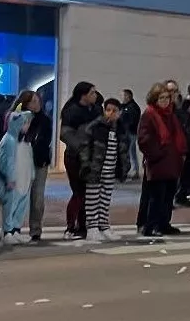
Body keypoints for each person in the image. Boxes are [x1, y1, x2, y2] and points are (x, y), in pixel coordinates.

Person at [138, 83, 187, 237]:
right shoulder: (149, 114)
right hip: (158, 162)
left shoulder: (170, 115)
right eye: (161, 98)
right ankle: (150, 226)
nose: (165, 101)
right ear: (155, 99)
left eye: (167, 98)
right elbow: (144, 139)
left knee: (168, 197)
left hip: (172, 162)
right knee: (156, 197)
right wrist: (158, 154)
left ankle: (163, 224)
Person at [79, 98, 130, 241]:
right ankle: (92, 227)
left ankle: (104, 226)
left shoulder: (121, 129)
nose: (111, 113)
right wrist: (87, 165)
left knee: (105, 199)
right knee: (92, 200)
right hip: (95, 170)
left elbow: (123, 151)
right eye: (108, 110)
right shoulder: (96, 126)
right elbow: (85, 147)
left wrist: (124, 167)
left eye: (114, 111)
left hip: (110, 170)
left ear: (119, 113)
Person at [59, 82, 101, 240]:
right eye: (92, 93)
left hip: (92, 156)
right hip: (75, 157)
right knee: (78, 192)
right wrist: (82, 146)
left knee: (88, 193)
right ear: (83, 95)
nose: (95, 95)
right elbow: (65, 134)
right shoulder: (72, 111)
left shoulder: (96, 109)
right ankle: (70, 226)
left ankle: (83, 225)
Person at [0, 110, 35, 245]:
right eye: (25, 123)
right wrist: (10, 178)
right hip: (13, 181)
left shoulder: (25, 141)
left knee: (21, 206)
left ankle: (16, 230)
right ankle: (7, 232)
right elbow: (6, 161)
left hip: (24, 179)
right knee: (10, 205)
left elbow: (29, 159)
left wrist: (32, 175)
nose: (27, 126)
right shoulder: (9, 141)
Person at [16, 91, 51, 242]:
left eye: (38, 101)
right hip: (21, 161)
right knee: (19, 196)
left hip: (39, 161)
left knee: (37, 197)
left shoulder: (45, 120)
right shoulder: (18, 118)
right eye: (32, 102)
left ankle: (36, 230)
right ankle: (13, 228)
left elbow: (45, 141)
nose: (36, 104)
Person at [120, 89, 141, 180]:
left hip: (131, 132)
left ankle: (135, 170)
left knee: (131, 152)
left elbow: (132, 120)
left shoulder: (132, 107)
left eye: (123, 96)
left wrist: (127, 127)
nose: (122, 98)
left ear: (128, 96)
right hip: (128, 132)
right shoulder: (125, 106)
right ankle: (132, 170)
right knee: (129, 152)